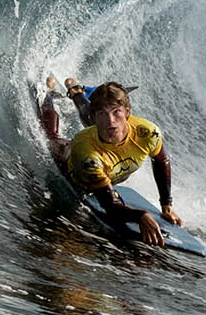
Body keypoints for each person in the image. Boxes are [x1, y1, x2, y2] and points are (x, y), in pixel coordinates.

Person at [62, 81, 182, 247]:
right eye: (102, 114)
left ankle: (78, 91)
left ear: (127, 113)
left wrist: (166, 206)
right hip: (75, 171)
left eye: (116, 112)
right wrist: (140, 216)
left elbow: (161, 160)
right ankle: (70, 93)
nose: (111, 120)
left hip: (108, 167)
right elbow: (109, 205)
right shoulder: (86, 153)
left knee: (103, 126)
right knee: (55, 139)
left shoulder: (147, 133)